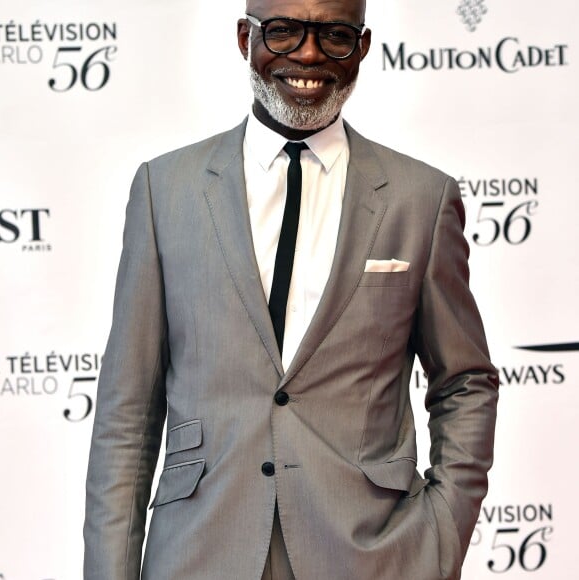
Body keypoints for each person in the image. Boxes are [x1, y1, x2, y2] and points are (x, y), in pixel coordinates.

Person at [83, 0, 499, 578]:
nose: (308, 55)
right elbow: (127, 411)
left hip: (373, 556)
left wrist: (440, 536)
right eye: (282, 32)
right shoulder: (164, 190)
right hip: (199, 554)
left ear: (363, 46)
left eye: (334, 36)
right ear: (243, 38)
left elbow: (465, 382)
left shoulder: (419, 199)